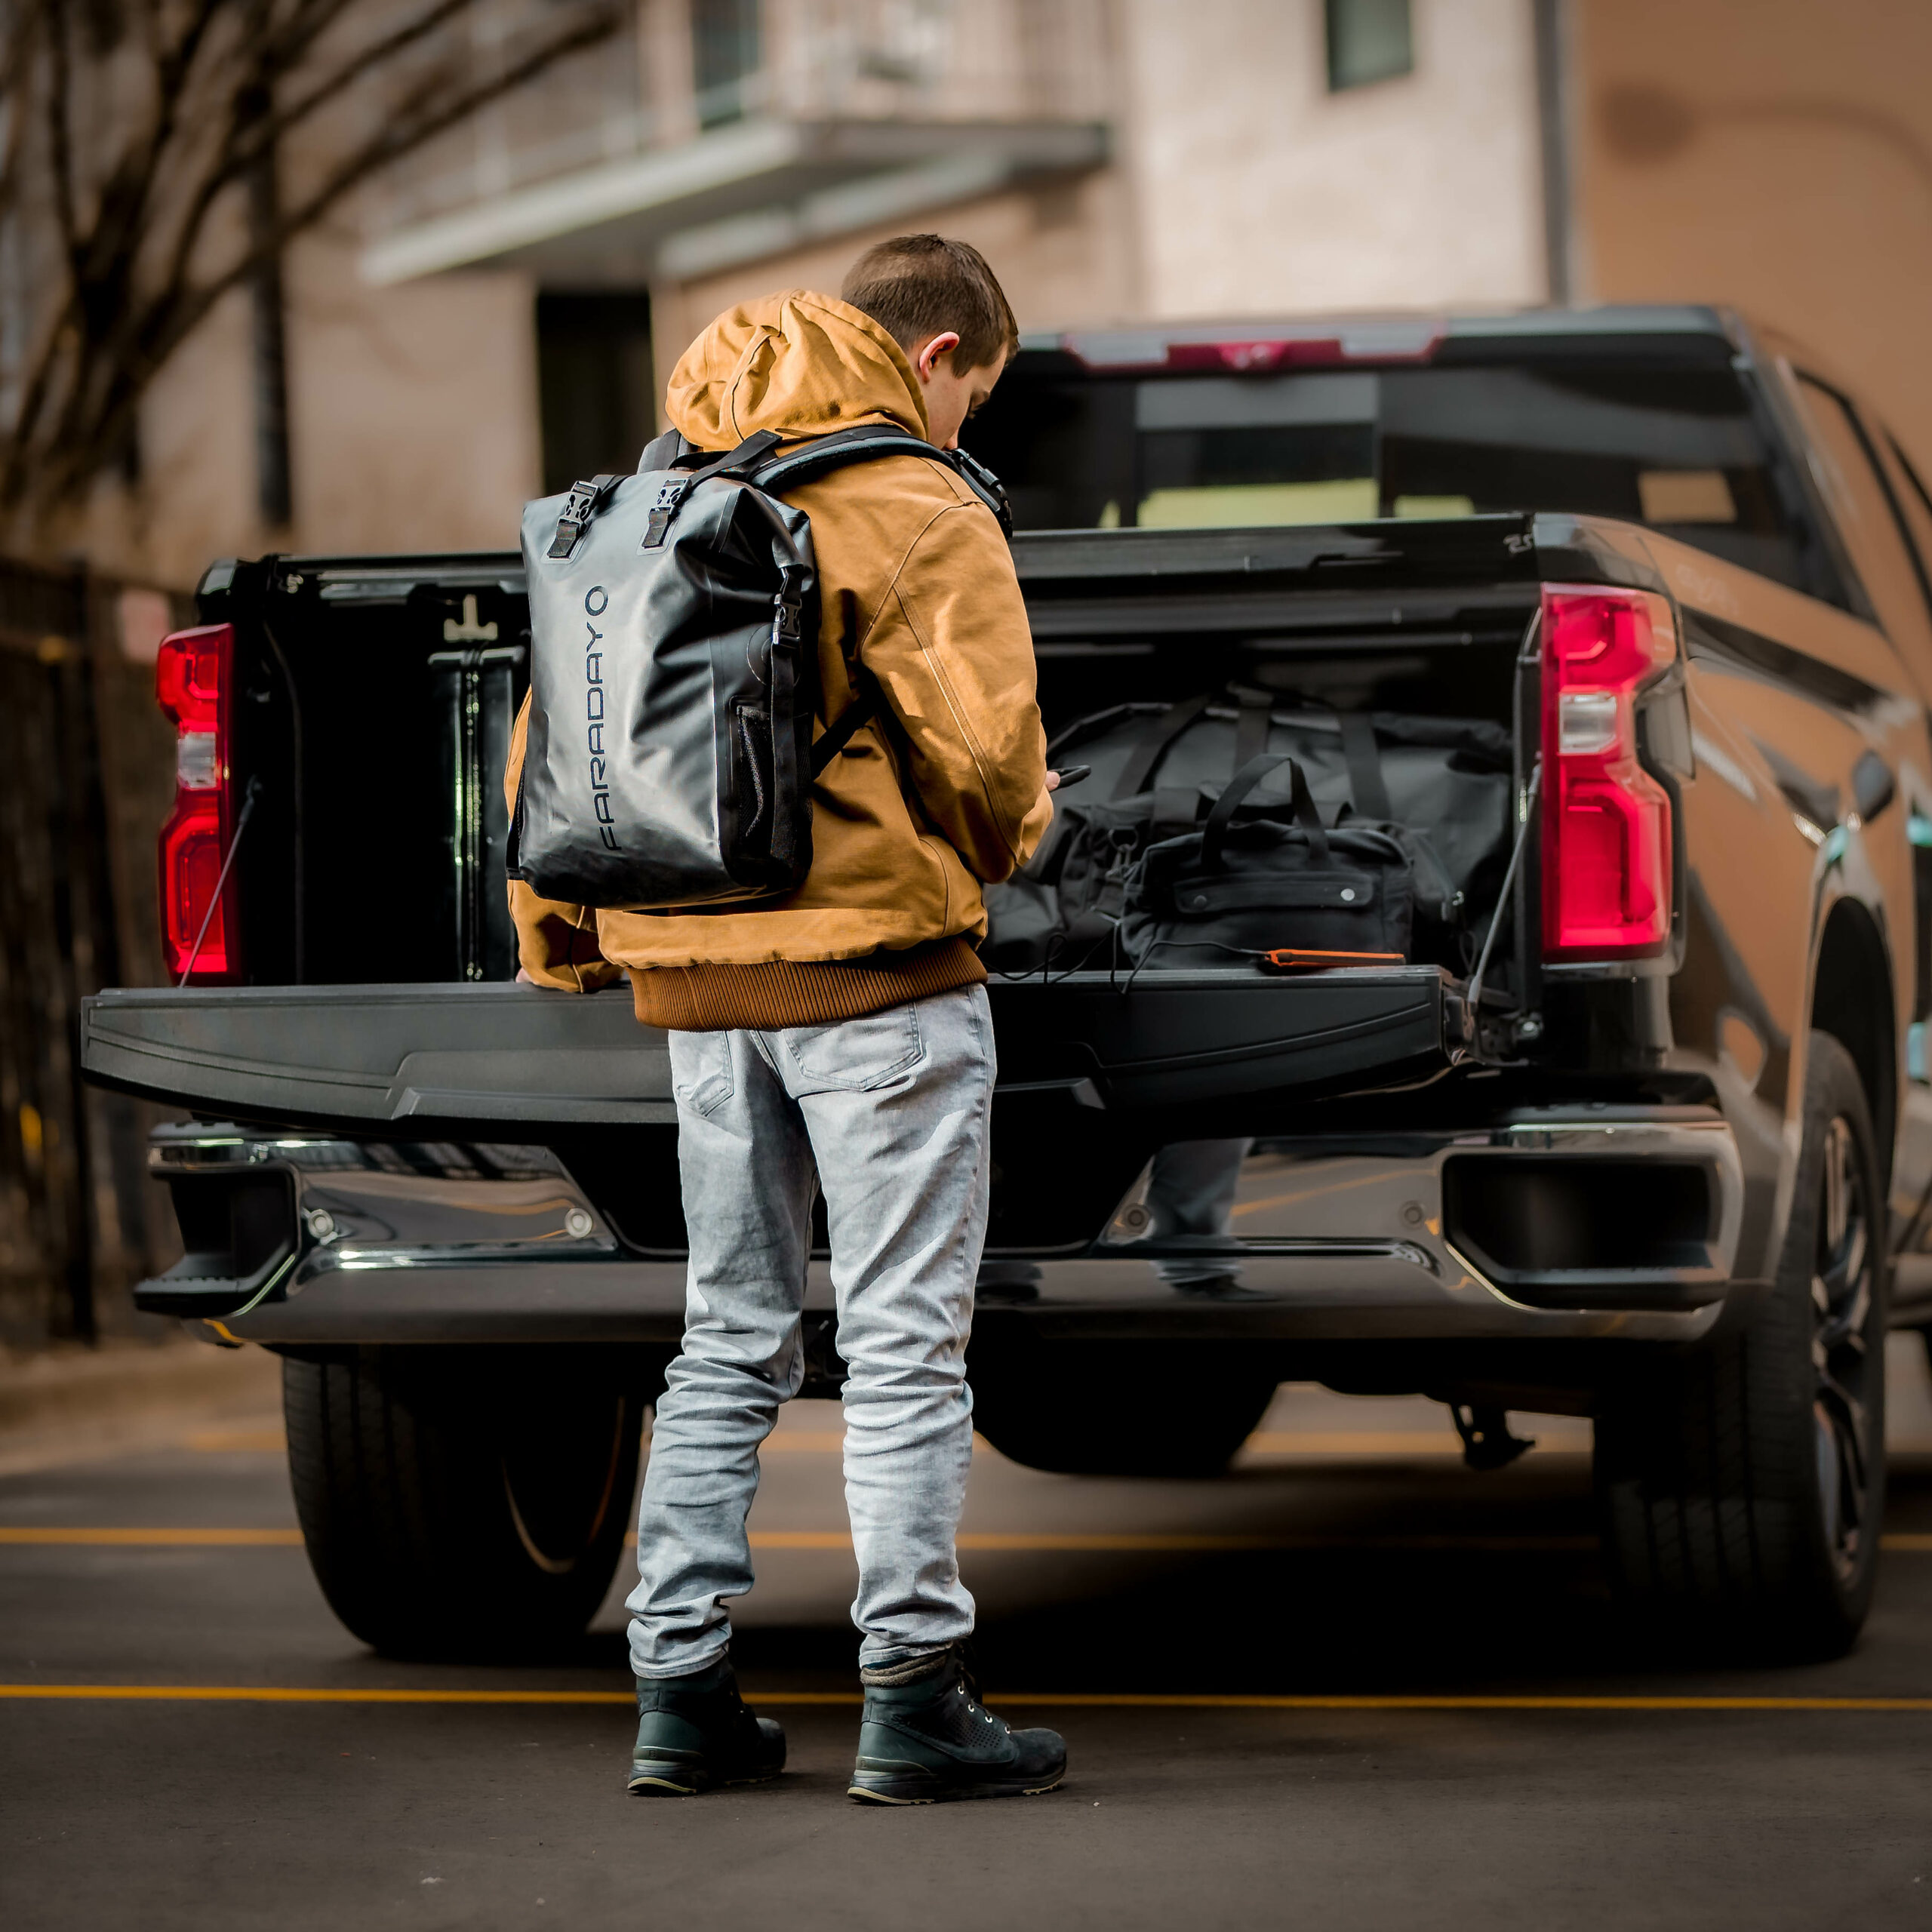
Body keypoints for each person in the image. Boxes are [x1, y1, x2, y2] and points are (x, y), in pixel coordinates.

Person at [505, 235, 1066, 1804]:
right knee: (899, 1344)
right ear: (940, 352)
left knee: (727, 1332)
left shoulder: (649, 483)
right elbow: (989, 751)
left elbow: (556, 748)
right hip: (877, 979)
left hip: (693, 980)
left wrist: (566, 943)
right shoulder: (908, 496)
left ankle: (678, 1690)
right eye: (978, 398)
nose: (966, 431)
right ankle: (913, 1695)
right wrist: (1008, 845)